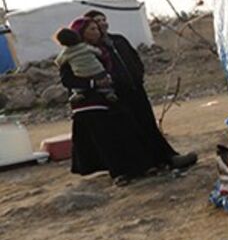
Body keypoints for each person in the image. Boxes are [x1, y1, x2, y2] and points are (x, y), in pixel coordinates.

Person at [83, 9, 197, 169]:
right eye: (97, 21)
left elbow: (134, 58)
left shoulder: (118, 40)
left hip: (136, 89)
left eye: (104, 19)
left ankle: (168, 158)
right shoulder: (91, 50)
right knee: (130, 130)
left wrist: (138, 76)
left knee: (148, 125)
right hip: (116, 95)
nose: (102, 23)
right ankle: (145, 165)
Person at [59, 18, 164, 185]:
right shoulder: (70, 55)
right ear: (80, 33)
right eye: (91, 29)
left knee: (127, 132)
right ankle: (119, 173)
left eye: (97, 29)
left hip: (112, 99)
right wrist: (92, 84)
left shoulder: (101, 50)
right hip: (90, 104)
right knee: (106, 140)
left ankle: (142, 166)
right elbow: (68, 80)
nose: (97, 32)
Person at [53, 27, 117, 104]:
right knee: (105, 83)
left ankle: (78, 94)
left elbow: (58, 62)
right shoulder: (85, 46)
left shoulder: (66, 53)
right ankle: (108, 93)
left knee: (79, 87)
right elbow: (98, 52)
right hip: (98, 71)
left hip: (82, 74)